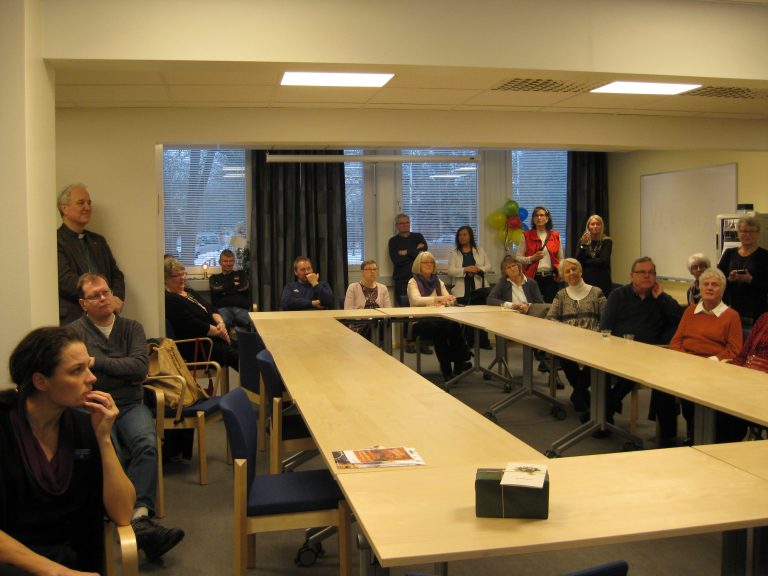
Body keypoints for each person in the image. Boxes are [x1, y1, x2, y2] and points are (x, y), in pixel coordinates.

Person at [0, 326, 135, 574]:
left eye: (88, 367)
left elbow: (123, 513)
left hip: (75, 563)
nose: (91, 378)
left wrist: (104, 438)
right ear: (40, 381)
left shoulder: (84, 426)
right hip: (13, 564)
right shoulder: (5, 428)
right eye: (77, 370)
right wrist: (56, 572)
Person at [70, 273, 185, 561]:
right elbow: (83, 376)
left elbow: (138, 369)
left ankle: (139, 516)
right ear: (83, 304)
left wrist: (97, 362)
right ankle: (133, 522)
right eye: (95, 295)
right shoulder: (73, 333)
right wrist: (117, 370)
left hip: (131, 404)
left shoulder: (131, 327)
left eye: (106, 292)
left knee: (147, 444)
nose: (104, 298)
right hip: (94, 406)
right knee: (113, 456)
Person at [656, 268, 743, 446]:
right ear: (700, 288)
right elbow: (676, 342)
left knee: (695, 389)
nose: (709, 288)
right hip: (686, 364)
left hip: (713, 369)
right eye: (706, 284)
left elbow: (734, 351)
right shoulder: (690, 311)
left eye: (715, 285)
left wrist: (709, 362)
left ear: (722, 290)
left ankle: (697, 433)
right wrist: (687, 360)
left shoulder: (731, 316)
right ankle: (668, 435)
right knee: (659, 386)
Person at [599, 257, 683, 435]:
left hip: (650, 357)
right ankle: (604, 414)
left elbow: (681, 319)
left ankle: (603, 415)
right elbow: (605, 326)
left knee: (649, 376)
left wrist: (661, 298)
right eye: (642, 272)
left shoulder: (660, 298)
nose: (647, 276)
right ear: (632, 276)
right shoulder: (618, 295)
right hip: (618, 352)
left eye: (651, 272)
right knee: (600, 372)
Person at [57, 183, 126, 326]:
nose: (87, 207)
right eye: (81, 203)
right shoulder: (56, 241)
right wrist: (101, 297)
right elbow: (65, 281)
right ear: (64, 208)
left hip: (107, 318)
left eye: (89, 203)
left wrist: (116, 298)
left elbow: (116, 275)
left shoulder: (98, 241)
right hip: (75, 319)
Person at [546, 258, 606, 413]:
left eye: (574, 269)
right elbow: (550, 318)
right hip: (568, 344)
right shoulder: (560, 295)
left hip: (593, 343)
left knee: (595, 361)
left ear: (581, 271)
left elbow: (606, 318)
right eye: (567, 271)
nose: (572, 273)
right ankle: (582, 395)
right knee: (566, 359)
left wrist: (596, 333)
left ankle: (578, 395)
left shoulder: (596, 292)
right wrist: (565, 332)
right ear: (563, 276)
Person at [164, 257, 239, 371]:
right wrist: (221, 332)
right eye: (177, 275)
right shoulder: (170, 299)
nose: (182, 278)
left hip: (215, 338)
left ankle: (256, 381)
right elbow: (194, 325)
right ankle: (254, 381)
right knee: (241, 357)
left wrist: (221, 323)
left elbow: (212, 309)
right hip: (200, 345)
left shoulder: (189, 292)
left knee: (249, 348)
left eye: (183, 274)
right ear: (166, 279)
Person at [407, 252, 471, 381]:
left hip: (440, 319)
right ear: (418, 265)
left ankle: (457, 363)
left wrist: (448, 300)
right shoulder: (413, 282)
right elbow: (417, 301)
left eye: (431, 262)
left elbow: (450, 299)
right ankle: (450, 366)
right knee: (439, 330)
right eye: (425, 262)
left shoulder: (438, 281)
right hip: (420, 321)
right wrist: (438, 299)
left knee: (454, 325)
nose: (429, 265)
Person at [388, 214, 431, 354]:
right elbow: (397, 260)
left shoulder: (418, 236)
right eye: (401, 223)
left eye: (407, 222)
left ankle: (423, 341)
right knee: (406, 312)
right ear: (397, 226)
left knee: (423, 311)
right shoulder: (393, 241)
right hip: (402, 281)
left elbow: (424, 255)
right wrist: (415, 252)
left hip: (421, 279)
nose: (405, 225)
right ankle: (409, 342)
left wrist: (406, 252)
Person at [717, 216, 768, 330]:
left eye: (751, 231)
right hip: (730, 307)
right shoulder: (729, 253)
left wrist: (751, 280)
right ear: (738, 233)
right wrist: (729, 279)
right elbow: (717, 279)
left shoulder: (765, 256)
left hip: (755, 311)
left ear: (758, 233)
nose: (747, 235)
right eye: (744, 231)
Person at [447, 226, 492, 349]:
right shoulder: (454, 253)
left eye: (464, 234)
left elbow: (488, 266)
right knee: (466, 315)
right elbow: (450, 271)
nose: (462, 237)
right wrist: (465, 269)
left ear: (470, 236)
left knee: (481, 314)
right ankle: (468, 341)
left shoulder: (479, 250)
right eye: (460, 235)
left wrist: (478, 269)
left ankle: (483, 341)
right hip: (462, 288)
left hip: (479, 287)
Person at [516, 206, 564, 303]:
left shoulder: (555, 235)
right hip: (532, 277)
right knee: (533, 306)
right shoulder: (526, 235)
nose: (539, 218)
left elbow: (561, 258)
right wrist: (532, 258)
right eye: (536, 216)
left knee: (551, 307)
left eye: (542, 215)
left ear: (547, 218)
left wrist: (561, 272)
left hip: (551, 278)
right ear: (533, 219)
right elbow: (518, 258)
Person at [344, 260, 392, 340]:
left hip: (378, 323)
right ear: (362, 272)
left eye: (374, 269)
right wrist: (366, 317)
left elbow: (388, 310)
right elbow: (348, 311)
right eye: (369, 269)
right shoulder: (353, 287)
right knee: (372, 325)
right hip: (359, 324)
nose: (372, 271)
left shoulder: (383, 288)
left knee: (381, 324)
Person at [208, 249, 253, 334]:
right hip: (223, 309)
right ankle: (227, 342)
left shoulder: (241, 274)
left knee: (252, 323)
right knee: (222, 324)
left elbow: (243, 288)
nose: (228, 263)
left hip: (241, 308)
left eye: (231, 261)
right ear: (220, 262)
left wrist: (224, 291)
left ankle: (247, 342)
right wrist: (234, 284)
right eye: (225, 261)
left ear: (234, 262)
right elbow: (216, 290)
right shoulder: (214, 278)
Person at [575, 214, 613, 296]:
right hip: (586, 279)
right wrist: (583, 246)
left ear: (601, 226)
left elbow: (604, 261)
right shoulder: (582, 241)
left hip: (602, 279)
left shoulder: (607, 241)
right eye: (592, 224)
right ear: (588, 226)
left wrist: (586, 261)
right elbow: (578, 261)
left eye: (598, 224)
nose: (595, 226)